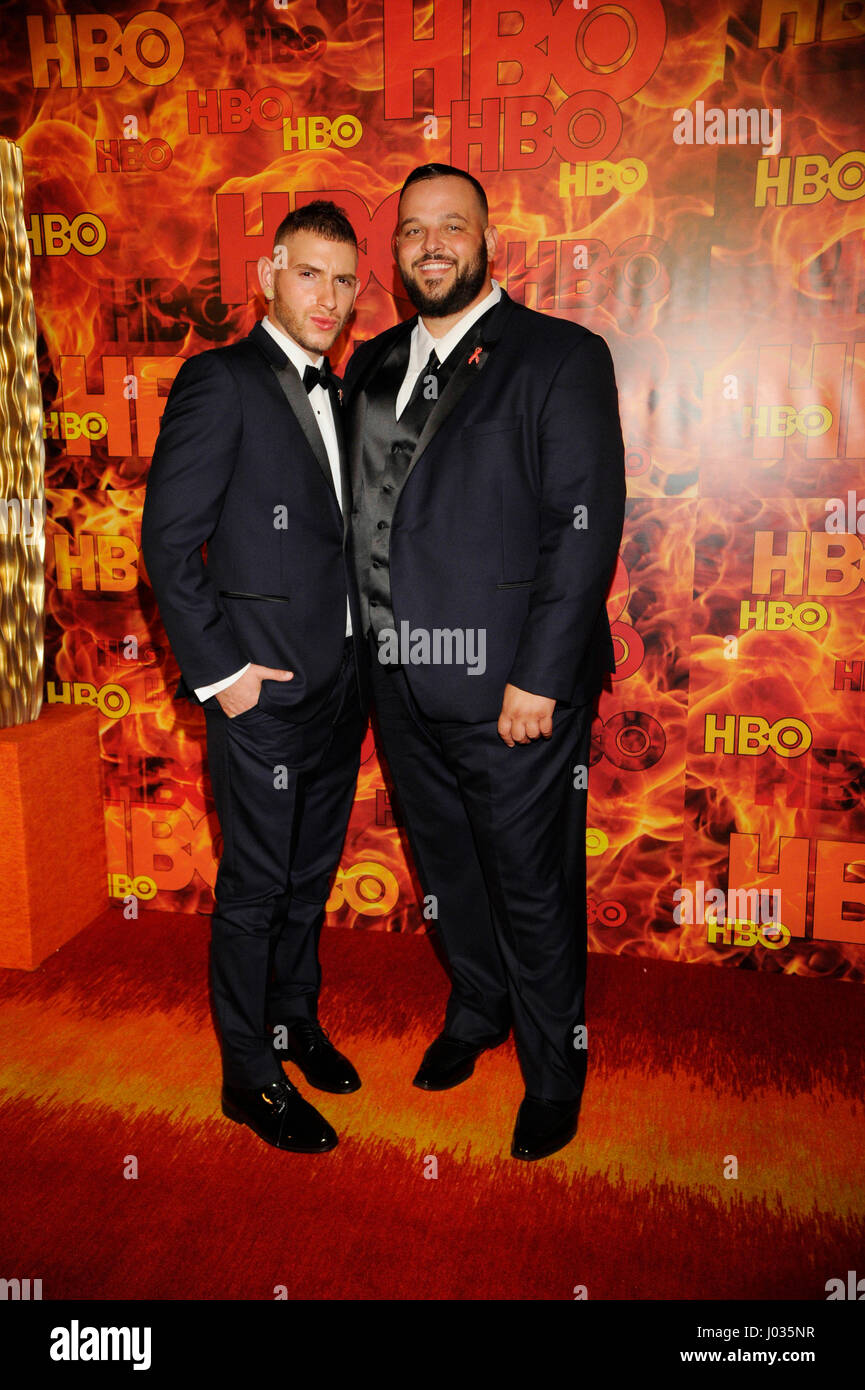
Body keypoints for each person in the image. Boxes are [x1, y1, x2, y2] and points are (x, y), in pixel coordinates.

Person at [344, 164, 626, 1161]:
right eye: (413, 229)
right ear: (395, 254)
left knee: (531, 879)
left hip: (512, 686)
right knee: (448, 867)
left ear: (486, 239)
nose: (430, 244)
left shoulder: (557, 357)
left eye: (449, 227)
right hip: (400, 677)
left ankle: (555, 1069)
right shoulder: (372, 365)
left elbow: (582, 530)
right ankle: (478, 1008)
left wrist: (540, 677)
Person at [141, 201, 367, 1154]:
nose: (328, 296)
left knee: (309, 879)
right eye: (310, 273)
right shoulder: (219, 381)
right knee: (255, 887)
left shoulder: (350, 392)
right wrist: (224, 674)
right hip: (262, 694)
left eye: (345, 280)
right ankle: (247, 1075)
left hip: (343, 685)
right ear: (270, 271)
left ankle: (293, 1020)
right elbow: (164, 542)